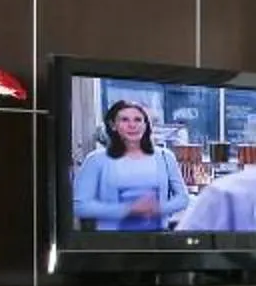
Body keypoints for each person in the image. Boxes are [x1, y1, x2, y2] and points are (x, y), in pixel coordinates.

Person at [70, 99, 192, 231]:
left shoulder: (165, 157)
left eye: (138, 120)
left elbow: (183, 198)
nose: (132, 125)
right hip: (112, 242)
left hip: (157, 240)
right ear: (113, 125)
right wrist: (128, 210)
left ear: (146, 125)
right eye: (125, 120)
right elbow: (79, 206)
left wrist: (158, 209)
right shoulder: (95, 160)